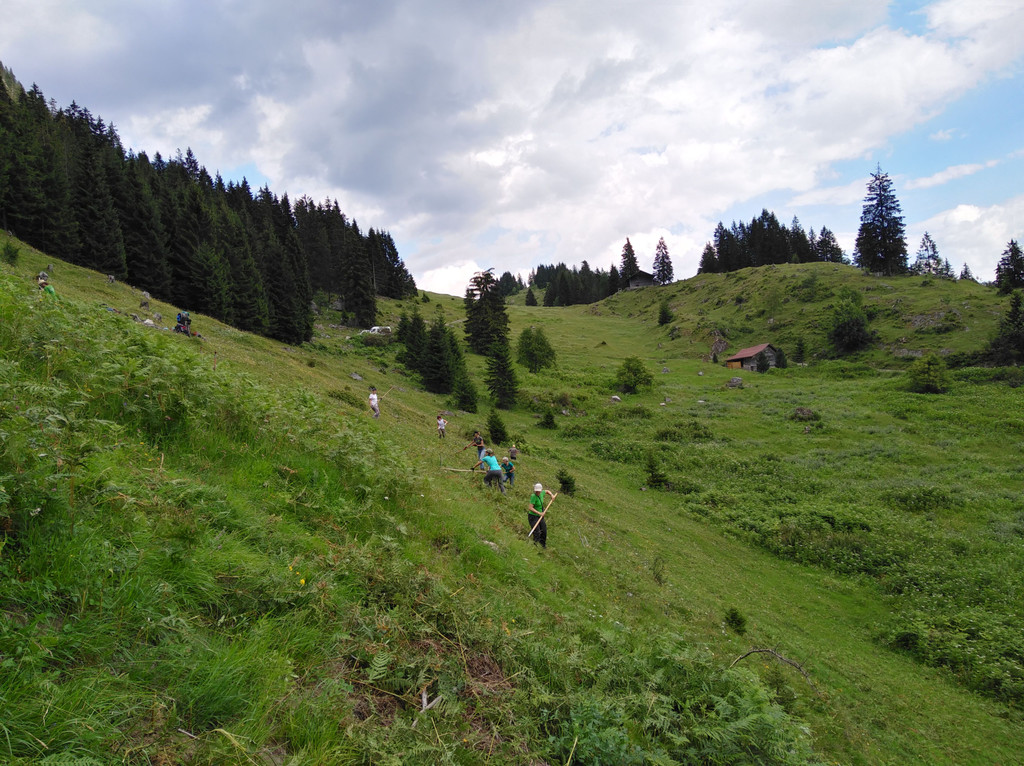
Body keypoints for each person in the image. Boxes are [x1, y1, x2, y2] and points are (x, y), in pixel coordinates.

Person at [528, 483, 555, 548]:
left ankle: (543, 545)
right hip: (533, 516)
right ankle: (535, 545)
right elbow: (530, 508)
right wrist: (539, 513)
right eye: (536, 491)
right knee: (537, 531)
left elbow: (547, 491)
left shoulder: (542, 493)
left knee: (544, 530)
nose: (537, 492)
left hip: (540, 516)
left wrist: (552, 495)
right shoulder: (533, 496)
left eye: (539, 491)